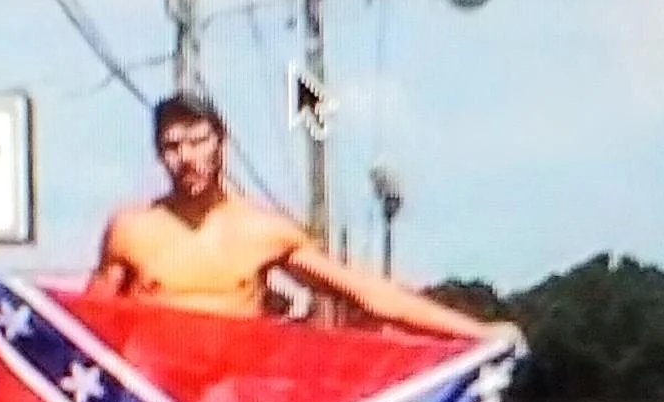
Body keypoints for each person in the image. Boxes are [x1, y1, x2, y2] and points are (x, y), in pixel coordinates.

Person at [94, 91, 513, 339]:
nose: (186, 158)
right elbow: (86, 326)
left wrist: (475, 332)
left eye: (198, 141)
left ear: (221, 143)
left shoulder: (264, 232)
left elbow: (366, 293)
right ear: (158, 153)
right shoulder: (131, 230)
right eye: (172, 146)